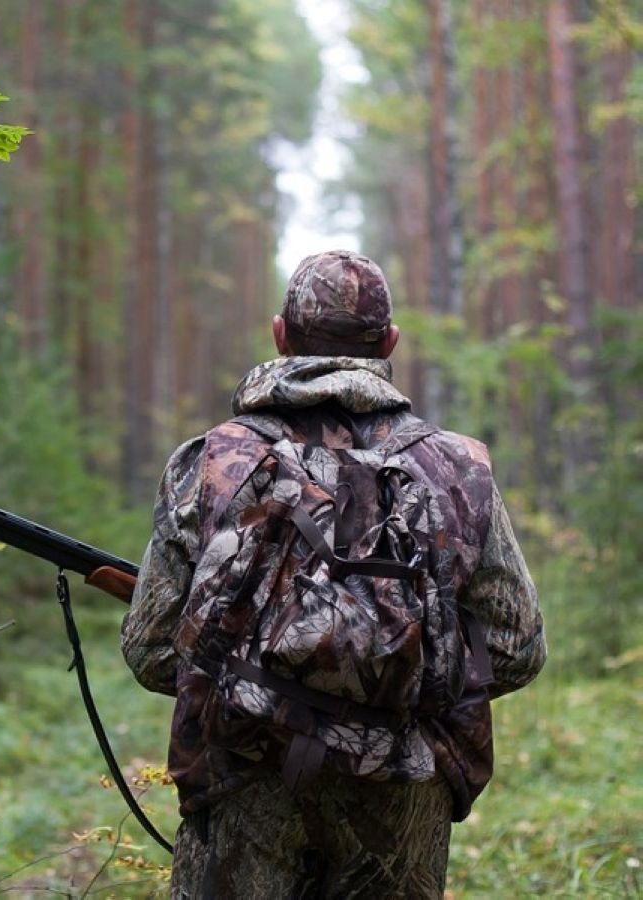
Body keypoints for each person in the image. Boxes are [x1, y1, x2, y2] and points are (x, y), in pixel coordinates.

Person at [121, 250, 547, 898]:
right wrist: (396, 682)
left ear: (281, 335)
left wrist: (262, 682)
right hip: (403, 794)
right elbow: (519, 649)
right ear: (389, 343)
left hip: (243, 784)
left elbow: (150, 650)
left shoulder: (211, 463)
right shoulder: (458, 468)